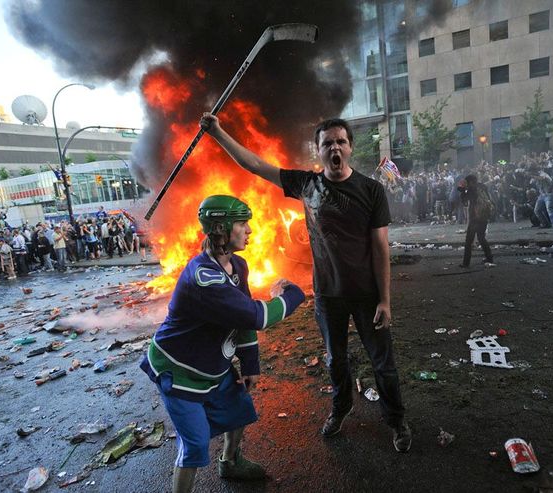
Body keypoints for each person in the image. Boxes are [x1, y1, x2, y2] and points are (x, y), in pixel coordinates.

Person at [200, 114, 411, 452]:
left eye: (340, 141)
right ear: (319, 151)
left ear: (350, 147)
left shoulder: (371, 190)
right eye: (327, 143)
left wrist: (385, 300)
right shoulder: (306, 185)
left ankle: (396, 420)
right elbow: (254, 165)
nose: (335, 148)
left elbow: (380, 247)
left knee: (382, 363)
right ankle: (340, 409)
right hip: (328, 295)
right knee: (335, 360)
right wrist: (217, 132)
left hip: (368, 295)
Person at [140, 195, 305, 493]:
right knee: (195, 446)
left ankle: (229, 462)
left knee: (238, 409)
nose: (250, 230)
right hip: (180, 373)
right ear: (221, 228)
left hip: (212, 366)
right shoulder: (204, 279)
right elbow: (254, 315)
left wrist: (250, 364)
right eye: (242, 224)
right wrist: (293, 294)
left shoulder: (237, 266)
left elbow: (240, 320)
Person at [458, 174, 494, 267]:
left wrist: (462, 191)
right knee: (481, 238)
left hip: (475, 218)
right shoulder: (483, 186)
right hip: (484, 216)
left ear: (470, 182)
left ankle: (466, 263)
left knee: (468, 241)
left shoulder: (471, 190)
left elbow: (465, 202)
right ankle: (489, 258)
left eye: (467, 182)